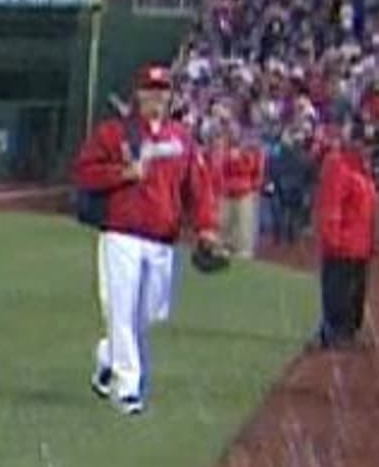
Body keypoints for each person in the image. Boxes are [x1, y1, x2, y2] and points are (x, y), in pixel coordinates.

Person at [73, 63, 221, 416]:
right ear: (138, 94)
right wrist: (122, 173)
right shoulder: (114, 134)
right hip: (121, 234)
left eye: (163, 91)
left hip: (162, 240)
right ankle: (128, 387)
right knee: (121, 310)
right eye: (151, 90)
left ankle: (108, 356)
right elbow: (85, 173)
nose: (157, 97)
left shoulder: (181, 139)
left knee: (148, 315)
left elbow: (197, 189)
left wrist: (206, 227)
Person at [312, 135, 379, 350]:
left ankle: (349, 332)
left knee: (355, 292)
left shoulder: (363, 173)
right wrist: (334, 240)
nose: (368, 150)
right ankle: (334, 333)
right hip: (343, 245)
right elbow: (331, 206)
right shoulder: (339, 167)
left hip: (360, 245)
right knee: (338, 290)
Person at [214, 123, 264, 260]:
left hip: (245, 191)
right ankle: (223, 245)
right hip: (227, 191)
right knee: (223, 220)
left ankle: (244, 250)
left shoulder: (251, 151)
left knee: (244, 223)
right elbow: (220, 169)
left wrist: (240, 159)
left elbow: (255, 170)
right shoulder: (225, 150)